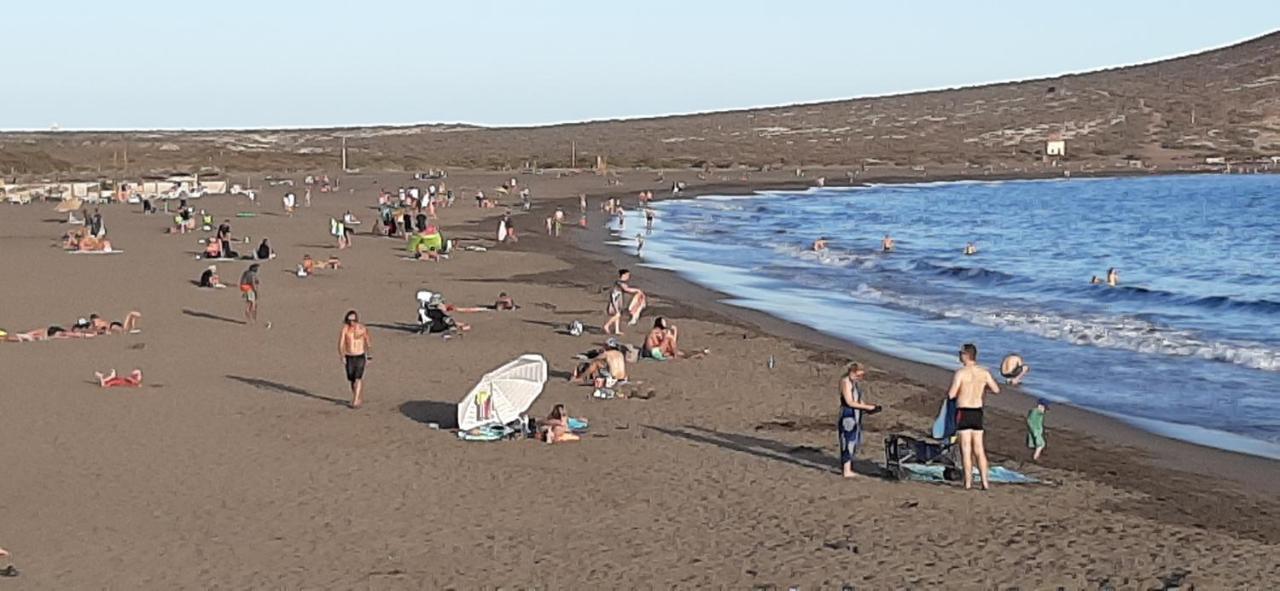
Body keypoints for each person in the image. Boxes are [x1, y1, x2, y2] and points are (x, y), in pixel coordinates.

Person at [947, 343, 1000, 490]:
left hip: (964, 410)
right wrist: (982, 388)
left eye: (960, 354)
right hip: (977, 411)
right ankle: (985, 482)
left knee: (966, 448)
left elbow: (951, 393)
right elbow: (996, 389)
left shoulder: (961, 373)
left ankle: (968, 482)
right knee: (979, 448)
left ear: (966, 355)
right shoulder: (984, 372)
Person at [838, 362, 882, 478]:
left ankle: (849, 467)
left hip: (856, 414)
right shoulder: (845, 382)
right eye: (858, 375)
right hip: (848, 414)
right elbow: (849, 402)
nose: (860, 378)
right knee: (847, 441)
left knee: (854, 440)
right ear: (852, 373)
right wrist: (867, 407)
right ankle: (846, 470)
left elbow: (857, 399)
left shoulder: (854, 383)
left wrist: (868, 407)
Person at [339, 310, 371, 409]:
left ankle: (356, 400)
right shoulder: (345, 329)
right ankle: (357, 396)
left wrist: (369, 355)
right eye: (349, 320)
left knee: (358, 378)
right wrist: (342, 355)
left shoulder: (362, 329)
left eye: (353, 320)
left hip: (360, 355)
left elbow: (368, 342)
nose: (351, 322)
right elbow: (341, 343)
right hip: (349, 356)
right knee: (352, 379)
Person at [604, 269, 646, 335]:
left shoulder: (621, 282)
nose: (628, 277)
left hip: (618, 298)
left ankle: (617, 330)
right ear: (623, 275)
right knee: (618, 314)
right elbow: (627, 289)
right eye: (627, 275)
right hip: (616, 298)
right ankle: (607, 325)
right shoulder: (620, 282)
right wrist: (637, 290)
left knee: (618, 314)